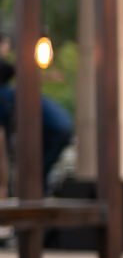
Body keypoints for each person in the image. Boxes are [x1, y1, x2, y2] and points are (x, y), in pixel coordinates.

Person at [0, 57, 74, 187]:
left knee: (35, 173)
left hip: (54, 130)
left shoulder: (4, 96)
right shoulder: (13, 94)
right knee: (38, 170)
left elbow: (3, 135)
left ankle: (35, 196)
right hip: (62, 126)